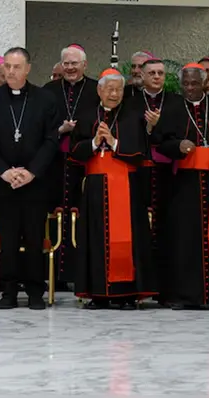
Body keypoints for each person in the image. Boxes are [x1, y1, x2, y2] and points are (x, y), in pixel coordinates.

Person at [152, 63, 209, 310]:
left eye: (195, 83)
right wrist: (177, 146)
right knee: (185, 239)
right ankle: (186, 295)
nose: (190, 88)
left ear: (205, 83)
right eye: (186, 84)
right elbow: (159, 142)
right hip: (187, 185)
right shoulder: (172, 109)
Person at [0, 48, 59, 310]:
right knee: (9, 240)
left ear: (27, 69)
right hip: (4, 183)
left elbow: (51, 141)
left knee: (35, 238)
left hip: (35, 183)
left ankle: (36, 292)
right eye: (7, 67)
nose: (10, 72)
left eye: (16, 67)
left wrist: (31, 171)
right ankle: (9, 291)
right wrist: (4, 171)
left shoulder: (45, 99)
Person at [70, 68, 156, 309]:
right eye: (110, 89)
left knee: (128, 240)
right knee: (97, 239)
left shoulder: (133, 115)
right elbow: (74, 152)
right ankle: (98, 294)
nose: (115, 94)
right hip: (96, 188)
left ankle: (127, 294)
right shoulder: (87, 116)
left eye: (118, 89)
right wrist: (95, 142)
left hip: (127, 188)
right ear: (99, 90)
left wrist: (115, 142)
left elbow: (141, 152)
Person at [44, 44, 99, 290]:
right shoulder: (48, 91)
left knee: (82, 214)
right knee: (54, 215)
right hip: (53, 164)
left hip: (84, 162)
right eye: (66, 63)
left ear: (84, 65)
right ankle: (53, 274)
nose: (70, 68)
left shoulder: (96, 89)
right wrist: (61, 130)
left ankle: (80, 273)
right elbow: (40, 126)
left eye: (75, 63)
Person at [130, 58, 176, 296]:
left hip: (166, 171)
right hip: (139, 170)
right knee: (139, 226)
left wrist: (158, 126)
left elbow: (178, 131)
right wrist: (147, 129)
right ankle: (142, 282)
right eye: (152, 73)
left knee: (166, 225)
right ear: (143, 76)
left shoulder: (176, 101)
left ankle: (167, 285)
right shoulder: (132, 101)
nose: (157, 77)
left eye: (160, 73)